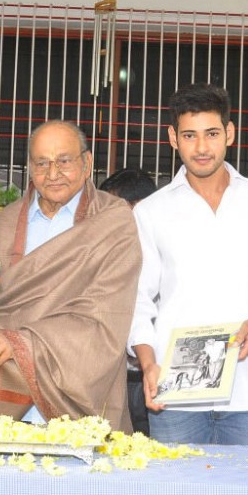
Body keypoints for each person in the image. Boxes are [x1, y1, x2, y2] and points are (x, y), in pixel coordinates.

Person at [130, 84, 248, 446]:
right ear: (172, 138)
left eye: (211, 134)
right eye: (189, 135)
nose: (201, 147)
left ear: (229, 133)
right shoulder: (151, 212)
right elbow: (137, 300)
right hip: (176, 394)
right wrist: (148, 364)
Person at [0, 121, 142, 432]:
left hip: (78, 408)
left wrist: (20, 342)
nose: (53, 173)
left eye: (64, 161)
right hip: (4, 412)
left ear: (86, 164)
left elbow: (105, 317)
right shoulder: (4, 225)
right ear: (30, 168)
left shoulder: (113, 222)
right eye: (42, 163)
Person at [99, 167, 157, 435]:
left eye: (116, 210)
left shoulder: (163, 252)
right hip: (112, 380)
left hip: (152, 377)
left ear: (142, 207)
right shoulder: (104, 251)